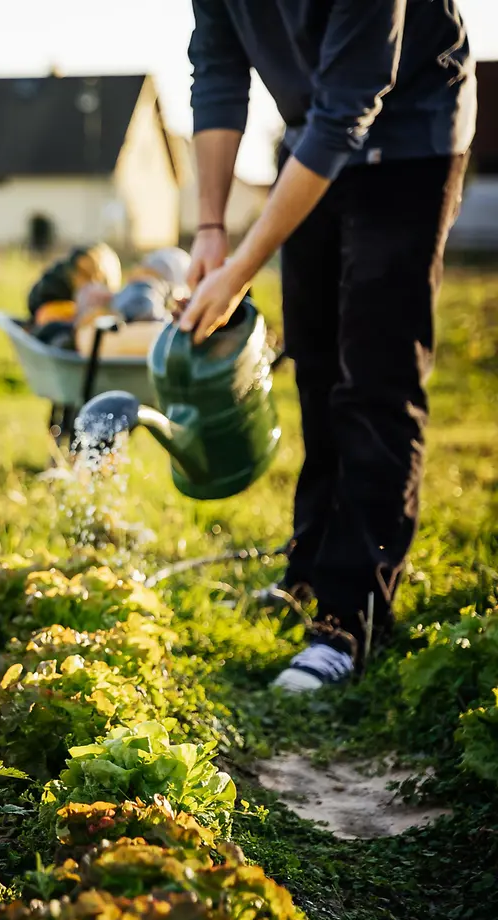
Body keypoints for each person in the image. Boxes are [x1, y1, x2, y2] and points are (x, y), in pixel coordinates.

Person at [180, 1, 475, 693]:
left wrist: (241, 271)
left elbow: (351, 105)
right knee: (315, 365)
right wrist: (211, 229)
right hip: (314, 129)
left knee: (374, 380)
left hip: (411, 137)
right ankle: (310, 571)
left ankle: (352, 615)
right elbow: (217, 68)